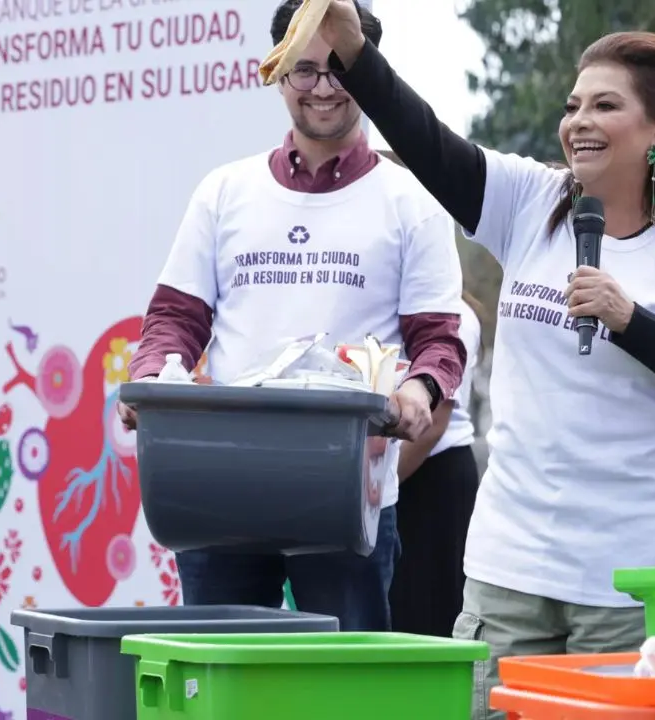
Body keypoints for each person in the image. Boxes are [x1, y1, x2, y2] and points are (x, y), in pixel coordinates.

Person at [315, 3, 655, 717]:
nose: (579, 121)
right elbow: (425, 138)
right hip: (512, 565)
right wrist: (350, 47)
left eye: (606, 105)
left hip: (638, 575)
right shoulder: (532, 199)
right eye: (573, 105)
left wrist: (630, 321)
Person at [121, 0, 466, 632]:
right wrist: (153, 375)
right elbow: (174, 318)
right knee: (219, 679)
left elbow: (438, 339)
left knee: (344, 686)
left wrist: (420, 389)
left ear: (371, 71)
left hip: (346, 496)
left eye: (342, 69)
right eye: (304, 71)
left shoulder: (411, 199)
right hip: (220, 489)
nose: (324, 89)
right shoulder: (225, 190)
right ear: (277, 73)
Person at [389, 291, 484, 638]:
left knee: (425, 620)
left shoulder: (455, 316)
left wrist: (371, 492)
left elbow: (434, 423)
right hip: (387, 476)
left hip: (431, 476)